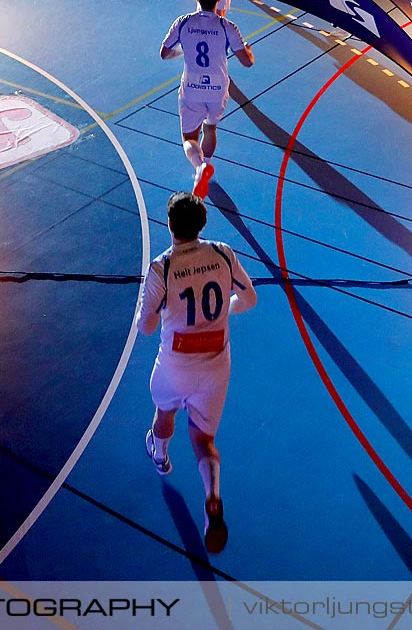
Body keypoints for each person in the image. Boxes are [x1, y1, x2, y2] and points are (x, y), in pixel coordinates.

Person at [136, 190, 258, 555]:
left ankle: (160, 454)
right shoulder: (223, 252)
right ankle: (212, 495)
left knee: (165, 412)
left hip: (176, 364)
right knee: (204, 440)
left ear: (170, 225)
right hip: (216, 364)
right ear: (203, 223)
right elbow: (249, 299)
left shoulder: (162, 267)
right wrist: (223, 313)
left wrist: (157, 313)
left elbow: (145, 327)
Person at [159, 0, 254, 198]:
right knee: (210, 128)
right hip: (218, 89)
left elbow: (164, 53)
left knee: (189, 138)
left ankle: (199, 167)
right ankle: (207, 165)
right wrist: (250, 52)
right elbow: (247, 62)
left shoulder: (183, 22)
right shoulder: (227, 26)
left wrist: (183, 51)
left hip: (192, 88)